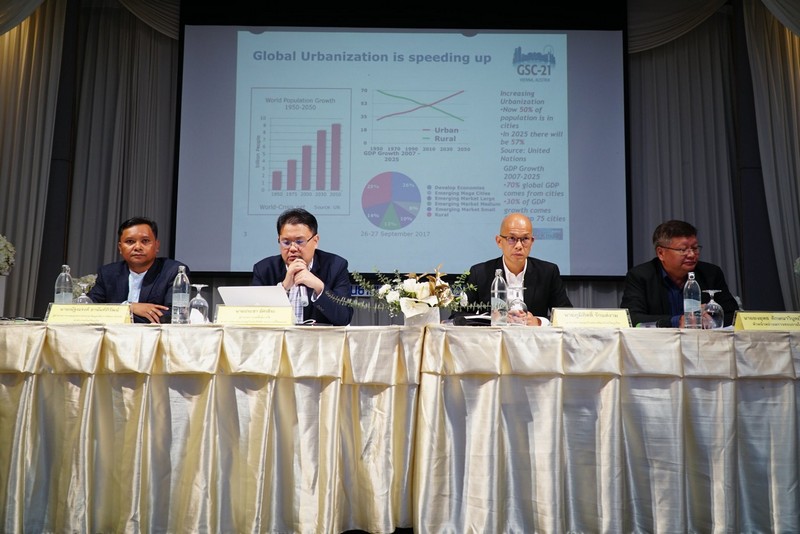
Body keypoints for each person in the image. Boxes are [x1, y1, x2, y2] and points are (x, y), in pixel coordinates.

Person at [454, 212, 572, 325]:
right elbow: (458, 316)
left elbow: (567, 317)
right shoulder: (479, 273)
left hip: (533, 337)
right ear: (499, 241)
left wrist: (538, 322)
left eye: (525, 239)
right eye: (512, 238)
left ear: (532, 241)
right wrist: (492, 320)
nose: (519, 246)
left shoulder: (548, 272)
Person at [620, 219, 738, 327]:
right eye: (682, 249)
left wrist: (712, 318)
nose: (691, 254)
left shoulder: (711, 273)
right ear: (661, 253)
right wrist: (677, 321)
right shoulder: (640, 276)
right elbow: (632, 318)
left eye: (695, 248)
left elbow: (734, 315)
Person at [252, 207, 354, 326]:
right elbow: (254, 318)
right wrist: (283, 288)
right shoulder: (264, 270)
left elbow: (344, 318)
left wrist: (319, 287)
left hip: (318, 338)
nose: (292, 248)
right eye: (286, 242)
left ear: (315, 241)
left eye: (300, 242)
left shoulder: (335, 266)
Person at [88, 216, 189, 324]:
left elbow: (173, 315)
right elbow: (88, 310)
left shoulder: (174, 271)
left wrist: (116, 314)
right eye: (130, 241)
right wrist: (129, 307)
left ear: (156, 246)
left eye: (145, 241)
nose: (137, 247)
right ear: (120, 248)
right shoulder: (108, 273)